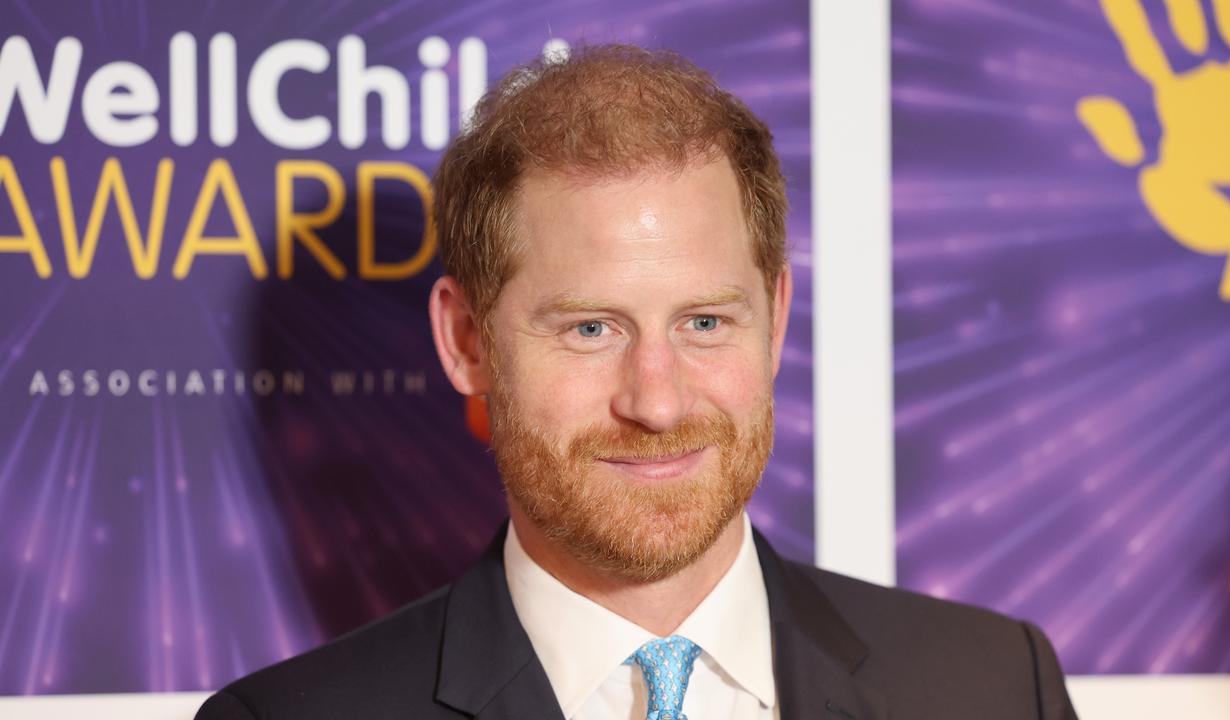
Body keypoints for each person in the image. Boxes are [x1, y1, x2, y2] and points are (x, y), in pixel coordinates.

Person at [195, 44, 1078, 720]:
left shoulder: (993, 688)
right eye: (590, 328)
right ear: (465, 341)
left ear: (773, 318)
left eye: (704, 323)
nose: (656, 401)